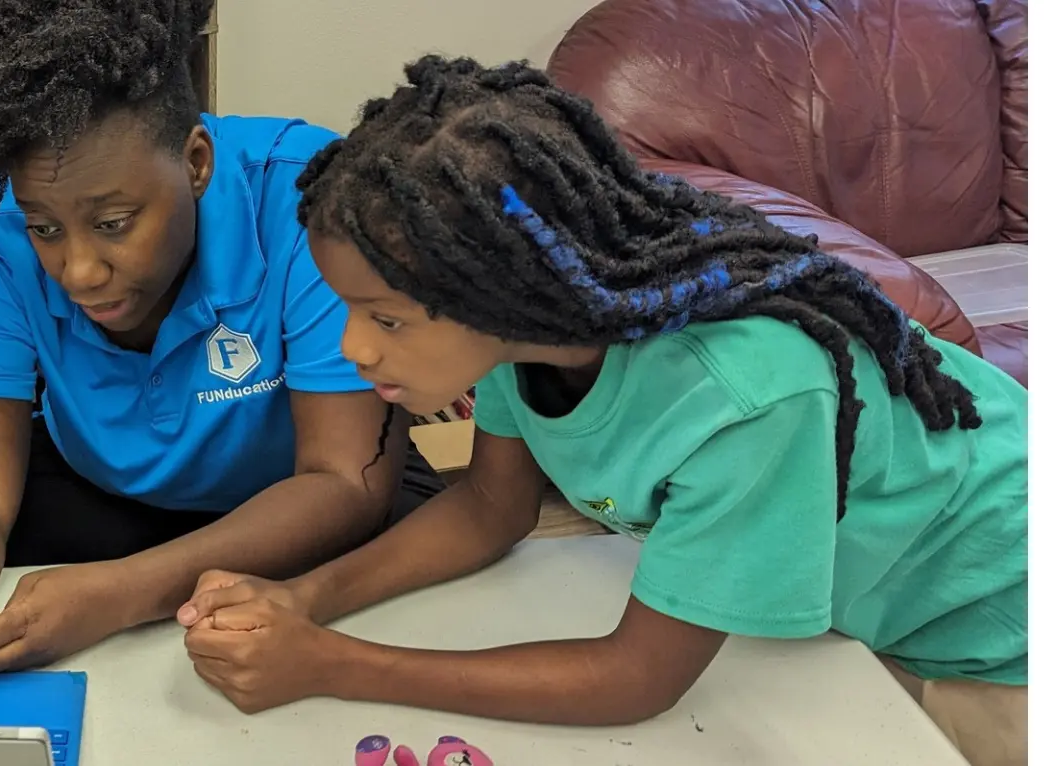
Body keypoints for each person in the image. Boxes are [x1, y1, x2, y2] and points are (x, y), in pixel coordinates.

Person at [176, 57, 1027, 766]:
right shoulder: (526, 336)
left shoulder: (748, 397)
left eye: (387, 319)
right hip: (852, 619)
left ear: (505, 291)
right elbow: (486, 509)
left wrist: (330, 664)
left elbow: (638, 680)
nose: (354, 349)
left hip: (995, 637)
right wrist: (304, 600)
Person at [0, 0, 443, 723]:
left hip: (300, 502)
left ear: (196, 162)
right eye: (46, 228)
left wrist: (122, 594)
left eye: (113, 223)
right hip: (104, 493)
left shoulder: (306, 199)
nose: (79, 271)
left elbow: (345, 480)